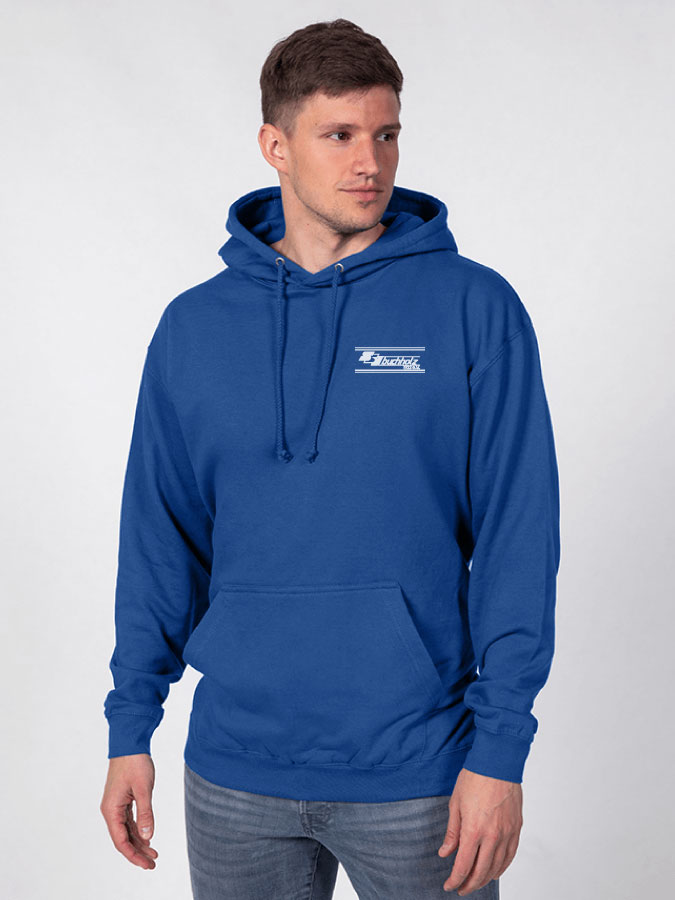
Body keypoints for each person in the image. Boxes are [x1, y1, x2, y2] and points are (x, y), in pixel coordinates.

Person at [99, 18, 560, 899]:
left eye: (386, 134)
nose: (369, 162)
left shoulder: (473, 308)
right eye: (339, 135)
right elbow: (159, 538)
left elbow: (518, 537)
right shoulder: (194, 327)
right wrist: (131, 726)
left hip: (421, 771)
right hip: (233, 771)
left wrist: (500, 750)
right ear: (275, 146)